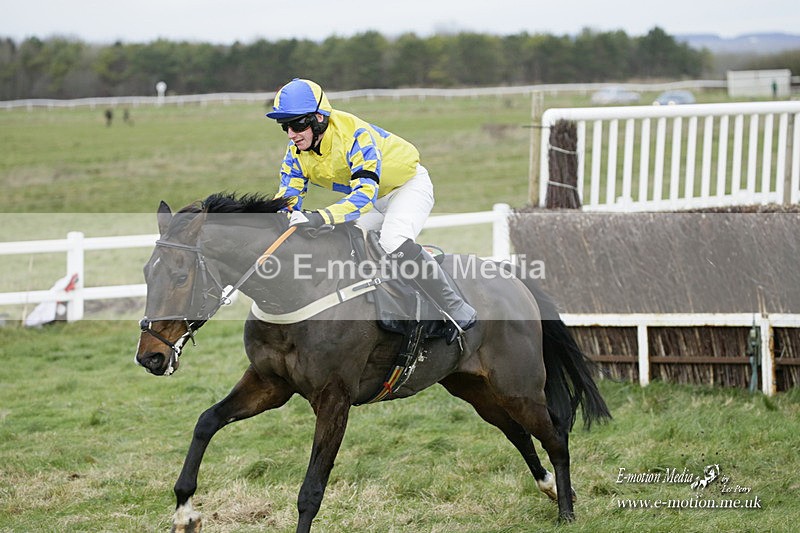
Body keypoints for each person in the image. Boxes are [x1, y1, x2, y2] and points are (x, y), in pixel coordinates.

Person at [266, 78, 476, 342]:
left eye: (297, 124)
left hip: (407, 187)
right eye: (284, 126)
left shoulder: (355, 134)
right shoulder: (295, 151)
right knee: (344, 240)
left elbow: (363, 197)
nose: (291, 134)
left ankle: (455, 308)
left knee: (392, 241)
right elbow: (287, 196)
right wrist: (282, 217)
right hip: (376, 199)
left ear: (319, 118)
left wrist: (319, 217)